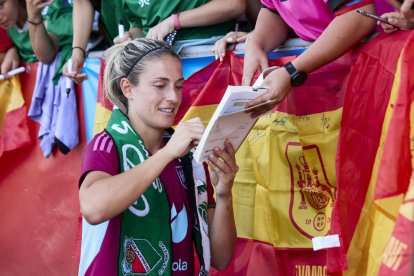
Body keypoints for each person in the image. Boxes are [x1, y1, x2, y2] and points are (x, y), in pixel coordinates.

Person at [78, 38, 238, 276]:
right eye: (160, 85)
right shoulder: (107, 144)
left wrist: (224, 192)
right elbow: (93, 208)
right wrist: (167, 153)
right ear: (127, 88)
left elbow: (220, 258)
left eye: (178, 86)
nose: (173, 97)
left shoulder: (188, 157)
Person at [213, 1, 377, 116]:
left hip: (373, 69)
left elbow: (361, 15)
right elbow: (274, 11)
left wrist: (292, 71)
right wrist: (257, 42)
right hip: (331, 78)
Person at [0, 0, 73, 83]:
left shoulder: (51, 8)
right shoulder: (9, 24)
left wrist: (34, 17)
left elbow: (46, 56)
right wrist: (13, 51)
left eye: (0, 5)